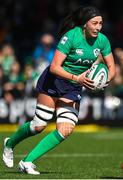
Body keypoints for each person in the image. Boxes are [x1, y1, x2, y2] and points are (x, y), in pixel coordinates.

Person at [2, 6, 116, 175]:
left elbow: (111, 66)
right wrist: (77, 78)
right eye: (94, 23)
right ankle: (9, 144)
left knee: (66, 129)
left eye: (101, 23)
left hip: (73, 87)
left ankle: (27, 162)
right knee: (39, 125)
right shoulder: (70, 37)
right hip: (53, 82)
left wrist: (105, 80)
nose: (98, 27)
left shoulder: (103, 40)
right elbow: (54, 67)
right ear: (85, 24)